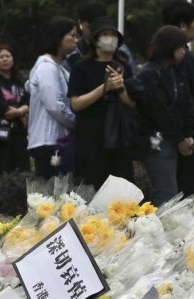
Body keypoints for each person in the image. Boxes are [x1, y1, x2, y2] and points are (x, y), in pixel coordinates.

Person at [68, 17, 135, 188]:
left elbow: (132, 103)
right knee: (93, 186)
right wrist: (105, 87)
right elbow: (76, 104)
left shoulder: (123, 66)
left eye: (113, 35)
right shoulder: (81, 67)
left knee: (121, 188)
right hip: (91, 137)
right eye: (105, 35)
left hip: (119, 136)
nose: (110, 39)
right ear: (96, 40)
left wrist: (120, 87)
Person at [136, 25, 194, 205]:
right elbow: (159, 110)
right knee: (166, 195)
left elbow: (185, 104)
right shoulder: (149, 73)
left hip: (175, 138)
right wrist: (180, 139)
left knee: (174, 192)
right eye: (181, 46)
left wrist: (189, 134)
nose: (184, 51)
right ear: (169, 47)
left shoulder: (174, 71)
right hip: (158, 141)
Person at [0, 44, 30, 215]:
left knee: (20, 168)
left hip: (19, 133)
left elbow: (28, 100)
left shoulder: (20, 81)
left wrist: (21, 110)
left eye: (7, 56)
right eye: (0, 57)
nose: (4, 59)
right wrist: (20, 111)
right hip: (0, 135)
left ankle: (19, 206)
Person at [162, 0, 194, 196]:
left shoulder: (160, 57)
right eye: (193, 22)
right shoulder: (182, 57)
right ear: (182, 26)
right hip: (184, 138)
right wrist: (190, 135)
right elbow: (190, 99)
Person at [27, 17, 77, 179]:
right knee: (50, 190)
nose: (76, 40)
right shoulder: (47, 68)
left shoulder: (59, 68)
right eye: (72, 35)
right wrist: (76, 122)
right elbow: (55, 106)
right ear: (58, 37)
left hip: (58, 139)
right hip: (49, 140)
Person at [64, 3, 135, 76]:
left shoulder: (122, 52)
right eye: (89, 27)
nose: (94, 31)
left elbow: (132, 79)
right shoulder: (72, 53)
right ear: (80, 23)